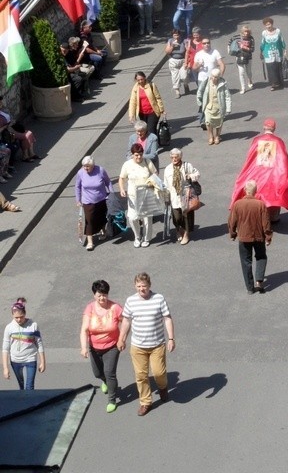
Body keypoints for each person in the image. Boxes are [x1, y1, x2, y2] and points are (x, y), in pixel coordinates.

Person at [117, 273, 175, 416]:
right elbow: (126, 321)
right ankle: (145, 402)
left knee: (158, 373)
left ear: (149, 285)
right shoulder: (131, 301)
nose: (141, 289)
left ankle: (162, 387)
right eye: (138, 286)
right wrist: (121, 338)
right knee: (141, 375)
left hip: (157, 344)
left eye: (144, 286)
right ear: (134, 286)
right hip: (138, 346)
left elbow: (167, 318)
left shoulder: (159, 298)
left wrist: (171, 338)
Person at [230, 118, 288, 224]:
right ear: (274, 128)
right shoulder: (278, 141)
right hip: (273, 172)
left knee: (257, 192)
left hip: (257, 171)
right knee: (274, 192)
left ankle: (257, 216)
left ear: (264, 127)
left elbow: (250, 157)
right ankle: (273, 216)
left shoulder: (257, 140)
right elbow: (283, 159)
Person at [80, 280, 123, 413]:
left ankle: (112, 399)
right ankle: (104, 381)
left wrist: (121, 339)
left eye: (104, 295)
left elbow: (125, 322)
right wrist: (84, 347)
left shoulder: (115, 308)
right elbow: (84, 329)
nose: (102, 298)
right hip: (94, 347)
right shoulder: (90, 308)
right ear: (94, 295)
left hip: (112, 346)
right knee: (98, 373)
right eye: (99, 295)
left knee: (110, 373)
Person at [228, 181, 273, 293]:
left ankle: (250, 287)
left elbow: (232, 221)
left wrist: (233, 234)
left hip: (243, 237)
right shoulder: (260, 205)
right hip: (258, 237)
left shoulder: (237, 204)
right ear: (256, 191)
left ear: (244, 190)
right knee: (261, 257)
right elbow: (266, 223)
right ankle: (259, 281)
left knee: (246, 261)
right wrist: (268, 237)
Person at [118, 143, 158, 248]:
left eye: (140, 154)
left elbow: (155, 173)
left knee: (147, 219)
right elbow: (122, 178)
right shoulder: (127, 164)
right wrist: (122, 189)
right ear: (132, 155)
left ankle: (146, 238)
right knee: (132, 218)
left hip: (146, 194)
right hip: (133, 195)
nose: (139, 157)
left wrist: (151, 181)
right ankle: (137, 237)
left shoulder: (147, 162)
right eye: (136, 155)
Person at [2, 298, 45, 390]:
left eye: (21, 317)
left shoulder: (33, 325)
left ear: (25, 314)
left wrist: (43, 361)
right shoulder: (9, 328)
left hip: (30, 359)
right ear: (12, 315)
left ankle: (31, 403)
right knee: (22, 386)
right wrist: (5, 368)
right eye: (16, 317)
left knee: (29, 386)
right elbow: (5, 349)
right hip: (15, 361)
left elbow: (39, 343)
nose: (19, 320)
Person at [163, 148, 201, 245]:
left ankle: (186, 234)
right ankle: (178, 230)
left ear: (180, 157)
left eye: (176, 157)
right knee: (176, 216)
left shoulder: (187, 166)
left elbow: (197, 174)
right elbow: (165, 184)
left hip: (186, 194)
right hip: (174, 196)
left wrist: (191, 176)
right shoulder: (168, 169)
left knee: (187, 215)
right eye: (172, 157)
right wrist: (166, 197)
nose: (174, 159)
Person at [75, 155, 112, 251]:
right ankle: (90, 241)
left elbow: (108, 182)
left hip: (101, 199)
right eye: (84, 166)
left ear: (93, 165)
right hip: (87, 201)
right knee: (89, 220)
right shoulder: (80, 173)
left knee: (101, 217)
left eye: (88, 166)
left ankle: (103, 231)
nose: (86, 168)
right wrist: (78, 199)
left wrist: (112, 194)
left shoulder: (100, 170)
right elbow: (77, 187)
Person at [193, 37, 225, 124]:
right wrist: (199, 65)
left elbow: (221, 64)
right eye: (204, 43)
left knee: (215, 98)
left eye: (208, 43)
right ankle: (203, 119)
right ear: (201, 45)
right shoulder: (199, 54)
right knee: (203, 99)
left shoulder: (215, 52)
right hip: (202, 79)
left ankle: (217, 116)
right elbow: (194, 68)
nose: (206, 44)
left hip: (213, 79)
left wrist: (220, 76)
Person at [0, 94, 37, 163]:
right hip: (8, 132)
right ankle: (25, 156)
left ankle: (31, 154)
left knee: (29, 133)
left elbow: (11, 118)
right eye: (0, 102)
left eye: (1, 102)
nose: (1, 103)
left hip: (13, 128)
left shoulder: (4, 110)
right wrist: (6, 126)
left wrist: (12, 122)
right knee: (26, 135)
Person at [128, 71, 165, 137]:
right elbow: (132, 102)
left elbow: (158, 98)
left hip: (153, 112)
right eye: (138, 80)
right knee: (145, 130)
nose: (140, 81)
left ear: (145, 78)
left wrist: (162, 110)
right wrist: (131, 115)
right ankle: (151, 143)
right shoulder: (135, 88)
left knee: (151, 130)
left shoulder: (151, 85)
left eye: (142, 79)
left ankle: (153, 146)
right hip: (142, 113)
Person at [201, 68, 231, 145]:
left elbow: (227, 96)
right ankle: (211, 136)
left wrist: (228, 108)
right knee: (208, 122)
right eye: (212, 76)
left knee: (219, 122)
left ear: (219, 77)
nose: (213, 78)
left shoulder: (223, 83)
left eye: (216, 77)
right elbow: (200, 91)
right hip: (209, 106)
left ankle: (217, 136)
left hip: (219, 107)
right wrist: (200, 101)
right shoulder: (206, 82)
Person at [260, 18, 287, 91]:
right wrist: (261, 51)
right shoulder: (264, 33)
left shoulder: (278, 31)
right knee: (271, 69)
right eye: (266, 25)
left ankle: (280, 83)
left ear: (272, 23)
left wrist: (285, 50)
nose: (268, 26)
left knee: (278, 67)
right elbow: (263, 43)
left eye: (269, 24)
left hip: (278, 53)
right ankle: (273, 84)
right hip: (268, 54)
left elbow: (282, 40)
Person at [229, 25, 255, 94]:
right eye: (245, 32)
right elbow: (230, 42)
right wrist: (230, 50)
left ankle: (250, 80)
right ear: (242, 31)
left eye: (248, 32)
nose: (246, 33)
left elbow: (252, 49)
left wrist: (244, 47)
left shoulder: (251, 38)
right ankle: (243, 88)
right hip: (239, 56)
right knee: (241, 73)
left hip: (248, 57)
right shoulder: (236, 37)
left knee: (248, 71)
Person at [165, 28, 190, 99]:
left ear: (180, 35)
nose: (176, 37)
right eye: (175, 35)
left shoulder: (184, 41)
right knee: (175, 77)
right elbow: (167, 52)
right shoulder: (170, 41)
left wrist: (186, 62)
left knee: (184, 75)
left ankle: (185, 85)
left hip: (182, 60)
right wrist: (172, 46)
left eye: (178, 35)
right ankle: (177, 92)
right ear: (173, 35)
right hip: (173, 61)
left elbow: (187, 51)